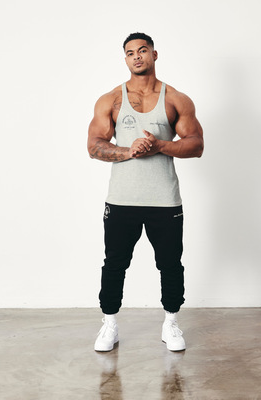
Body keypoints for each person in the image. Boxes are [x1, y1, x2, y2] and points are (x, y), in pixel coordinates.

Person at [87, 32, 204, 352]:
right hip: (121, 199)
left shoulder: (176, 99)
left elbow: (196, 145)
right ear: (125, 59)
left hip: (164, 200)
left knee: (170, 264)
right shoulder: (110, 99)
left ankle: (171, 323)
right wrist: (129, 150)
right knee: (114, 263)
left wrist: (160, 146)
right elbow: (94, 146)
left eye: (142, 50)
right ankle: (109, 324)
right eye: (130, 53)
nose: (136, 56)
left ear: (154, 54)